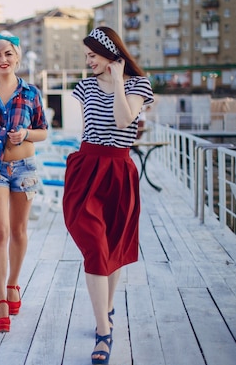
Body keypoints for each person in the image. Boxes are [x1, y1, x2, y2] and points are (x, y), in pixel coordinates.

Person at [62, 27, 153, 364]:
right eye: (86, 56)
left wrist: (118, 80)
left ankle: (108, 307)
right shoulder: (84, 87)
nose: (88, 62)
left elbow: (123, 119)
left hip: (119, 171)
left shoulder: (139, 86)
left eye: (92, 56)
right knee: (96, 247)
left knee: (113, 246)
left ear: (111, 54)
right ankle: (103, 331)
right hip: (87, 169)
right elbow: (89, 129)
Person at [0, 31, 48, 333]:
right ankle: (1, 299)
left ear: (17, 57)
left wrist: (25, 134)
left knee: (19, 230)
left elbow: (42, 130)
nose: (3, 59)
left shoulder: (30, 93)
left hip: (25, 167)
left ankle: (14, 283)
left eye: (8, 54)